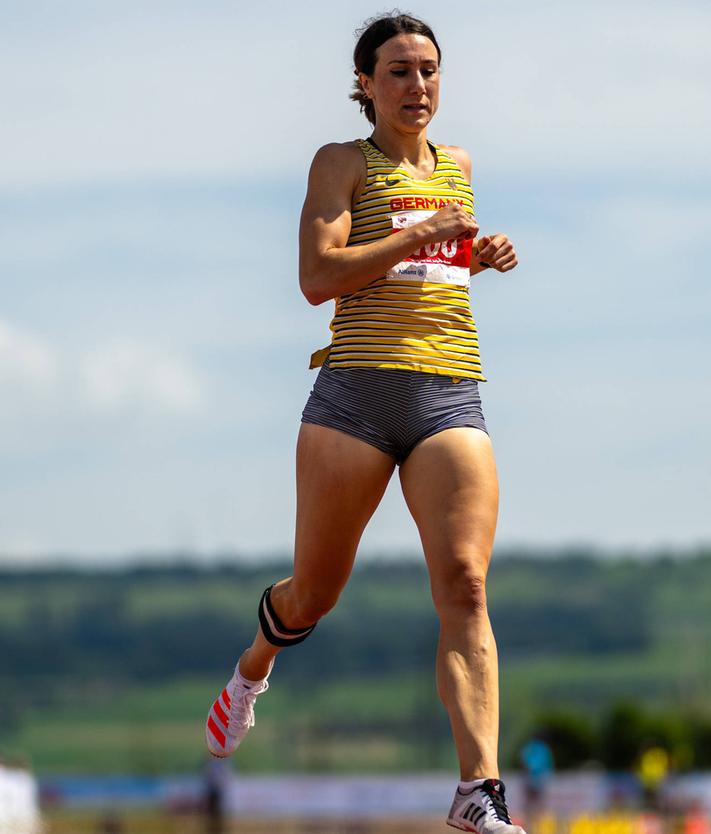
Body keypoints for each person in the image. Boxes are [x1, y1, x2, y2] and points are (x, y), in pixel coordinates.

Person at [202, 12, 522, 834]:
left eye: (429, 71)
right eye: (399, 71)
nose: (417, 86)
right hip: (356, 395)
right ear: (365, 84)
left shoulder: (460, 166)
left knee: (467, 582)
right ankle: (251, 670)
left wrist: (469, 258)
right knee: (314, 594)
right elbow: (319, 276)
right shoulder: (341, 162)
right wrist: (421, 233)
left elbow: (422, 272)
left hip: (450, 388)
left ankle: (477, 793)